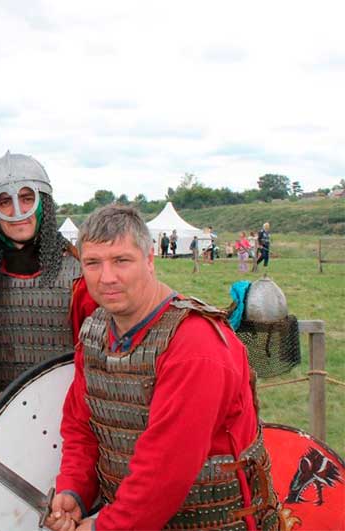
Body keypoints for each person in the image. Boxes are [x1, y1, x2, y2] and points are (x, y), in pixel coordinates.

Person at [45, 205, 279, 531]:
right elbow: (81, 427)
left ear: (150, 259)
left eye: (121, 261)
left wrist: (106, 527)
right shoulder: (95, 332)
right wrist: (74, 488)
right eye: (93, 263)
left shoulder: (195, 346)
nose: (106, 277)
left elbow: (167, 468)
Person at [0, 152, 96, 406]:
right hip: (0, 421)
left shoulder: (79, 278)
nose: (17, 211)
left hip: (65, 416)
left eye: (27, 198)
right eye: (4, 202)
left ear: (43, 202)